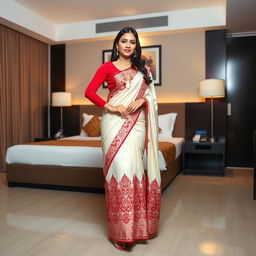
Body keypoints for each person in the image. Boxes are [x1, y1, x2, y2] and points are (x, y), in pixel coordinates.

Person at [85, 26, 161, 251]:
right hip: (113, 122)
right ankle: (120, 231)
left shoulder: (143, 71)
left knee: (134, 169)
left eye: (132, 42)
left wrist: (144, 102)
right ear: (117, 44)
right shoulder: (107, 67)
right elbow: (89, 91)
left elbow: (151, 97)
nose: (128, 45)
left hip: (137, 124)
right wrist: (111, 105)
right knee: (119, 170)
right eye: (124, 41)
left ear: (136, 46)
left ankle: (136, 228)